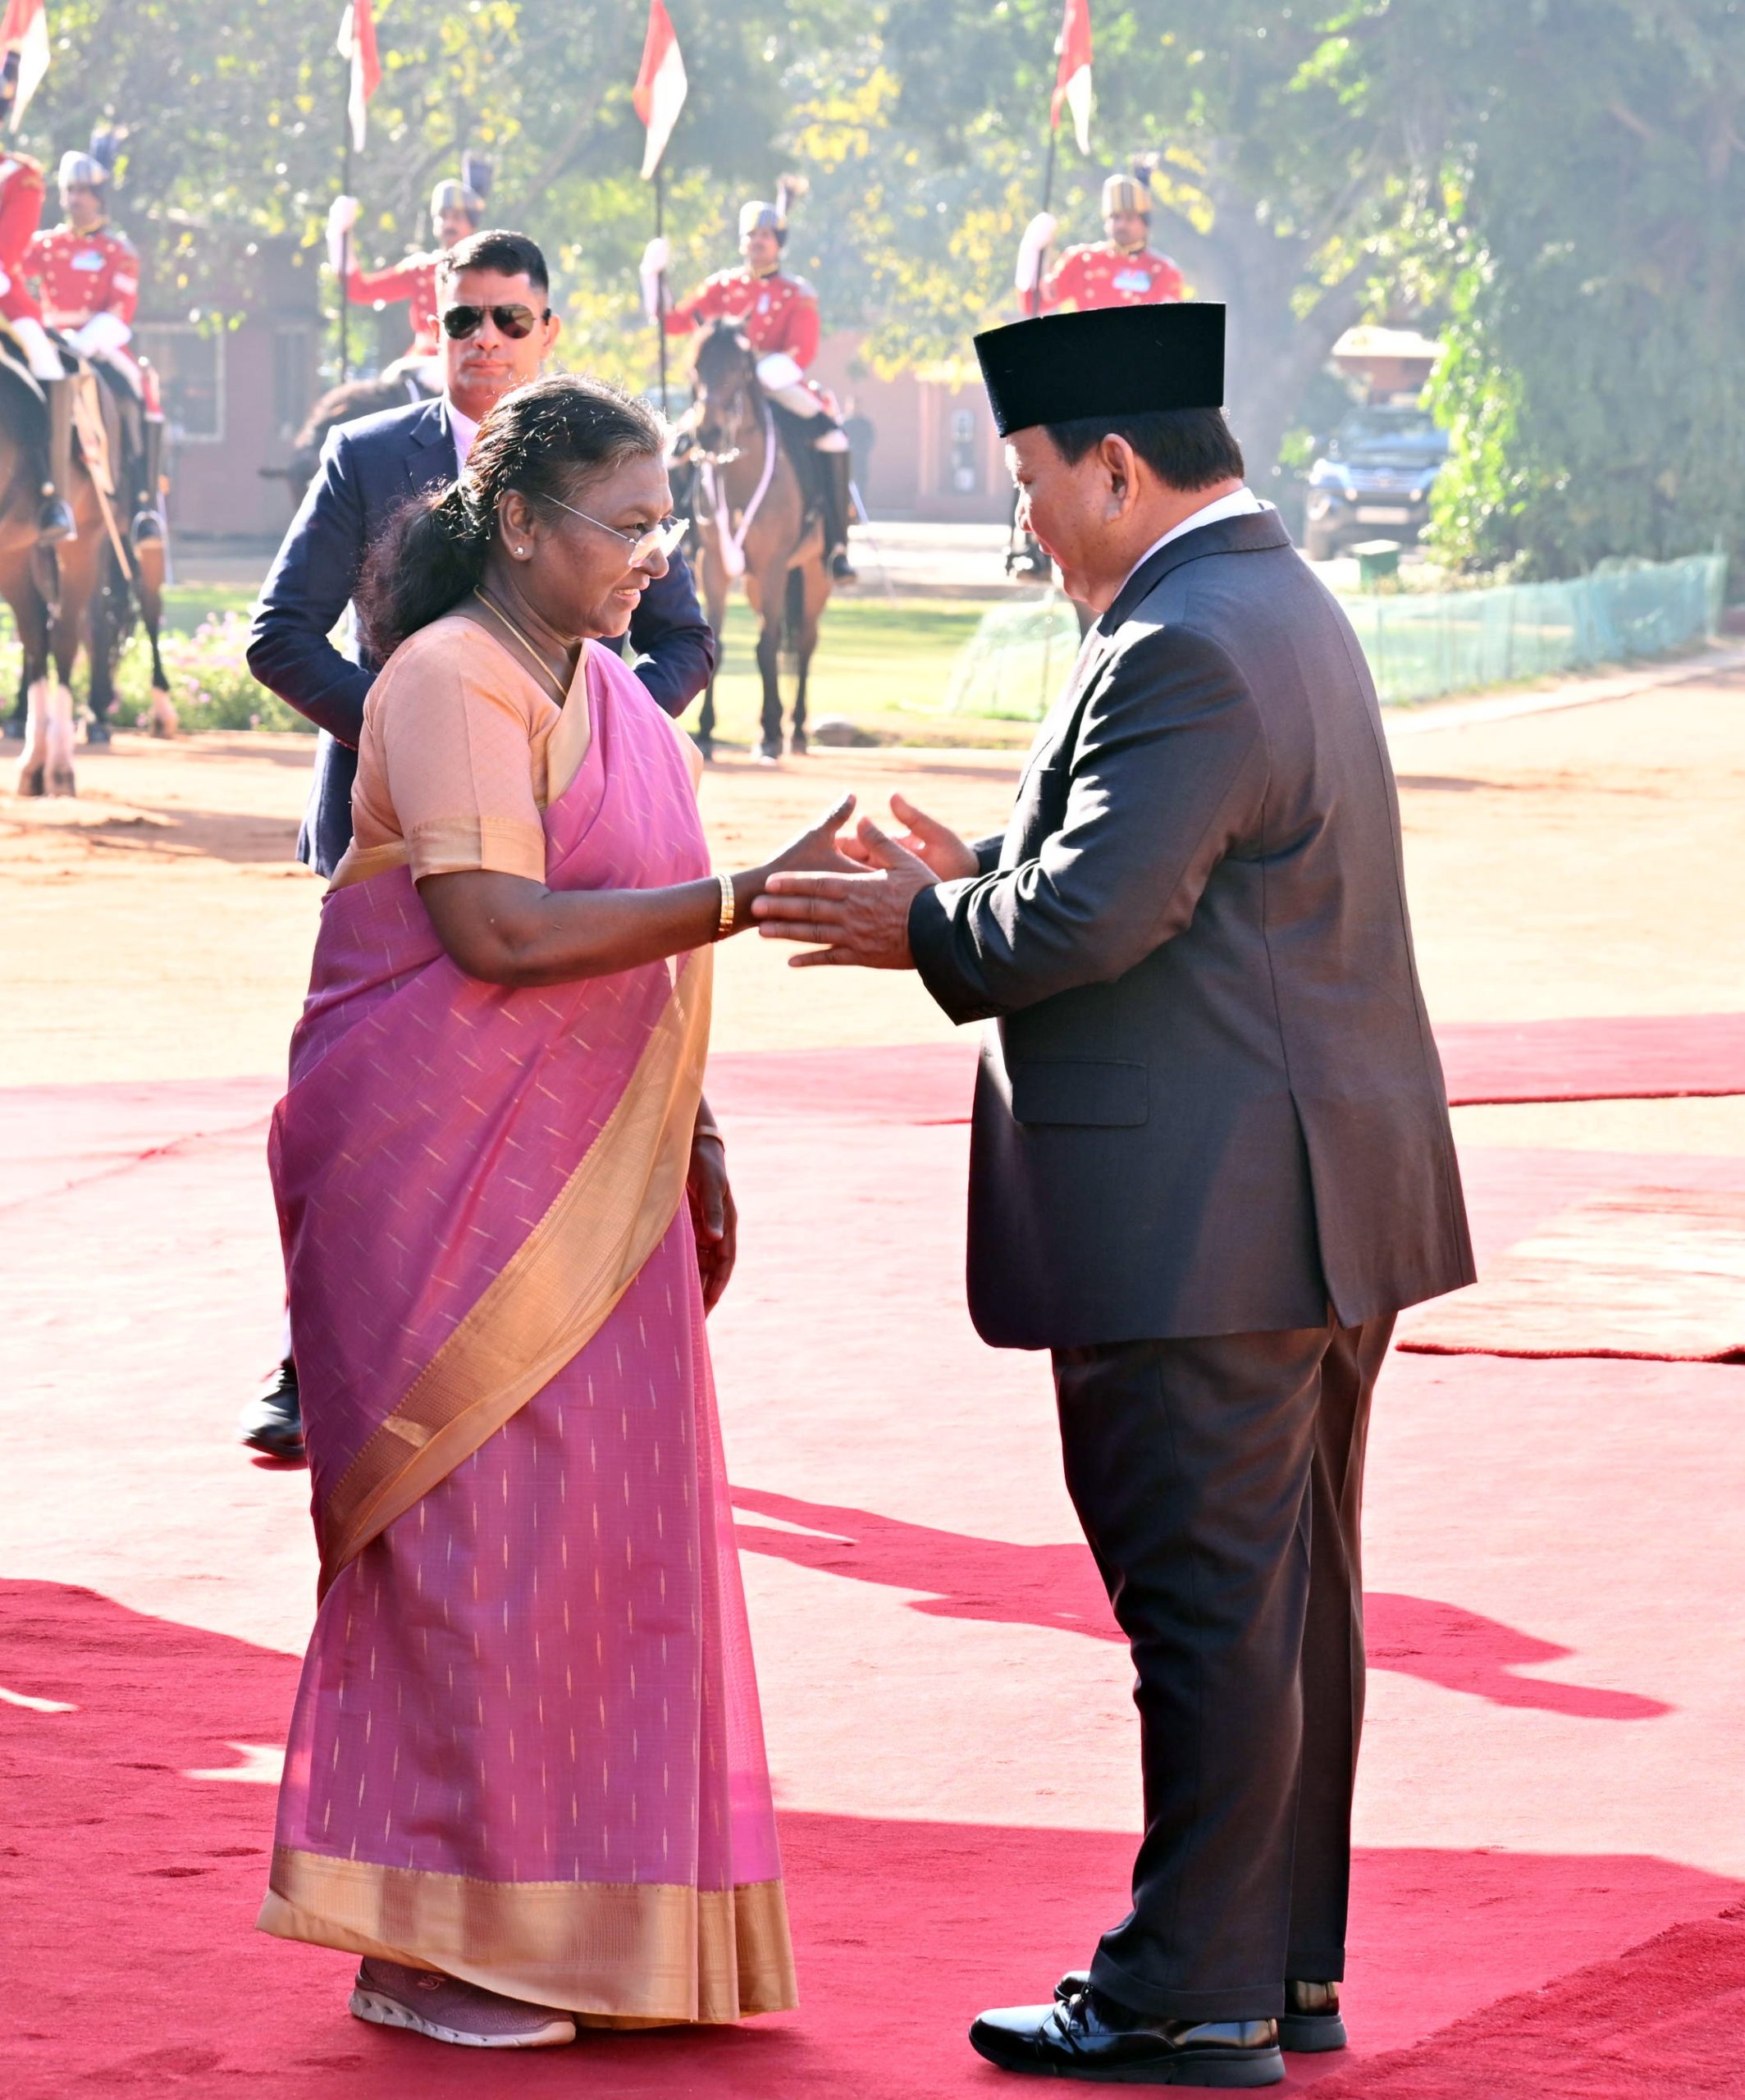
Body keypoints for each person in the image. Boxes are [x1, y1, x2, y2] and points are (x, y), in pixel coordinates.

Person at [754, 302, 1475, 2088]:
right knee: (1282, 1608)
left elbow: (1097, 915)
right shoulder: (1260, 604)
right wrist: (983, 867)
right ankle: (1274, 1970)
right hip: (1297, 1201)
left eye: (1027, 480)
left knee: (1210, 1618)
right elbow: (1162, 867)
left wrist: (924, 922)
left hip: (1209, 1221)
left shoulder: (1183, 640)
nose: (1022, 518)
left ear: (1117, 467)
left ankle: (1183, 1994)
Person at [263, 369, 851, 2046]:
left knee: (599, 1544)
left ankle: (592, 1936)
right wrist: (745, 897)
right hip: (435, 1173)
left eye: (667, 525)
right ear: (518, 521)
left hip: (599, 1175)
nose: (653, 556)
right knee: (471, 1548)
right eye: (625, 524)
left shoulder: (615, 696)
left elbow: (628, 941)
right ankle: (422, 1945)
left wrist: (691, 1124)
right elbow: (498, 932)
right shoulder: (448, 675)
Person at [242, 227, 717, 1461]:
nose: (485, 340)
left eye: (510, 319)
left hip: (588, 846)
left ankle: (555, 1343)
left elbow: (683, 641)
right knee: (392, 1120)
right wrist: (438, 745)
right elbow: (278, 635)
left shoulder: (618, 467)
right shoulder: (368, 455)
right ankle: (325, 1354)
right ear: (435, 327)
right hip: (403, 844)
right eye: (463, 319)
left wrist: (587, 749)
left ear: (548, 330)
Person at [652, 187, 857, 579]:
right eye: (751, 235)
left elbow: (802, 350)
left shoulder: (797, 292)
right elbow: (674, 322)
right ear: (742, 242)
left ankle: (836, 544)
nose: (757, 242)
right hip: (726, 391)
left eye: (765, 235)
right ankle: (680, 540)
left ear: (778, 243)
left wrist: (762, 373)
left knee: (833, 439)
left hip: (776, 382)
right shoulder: (722, 287)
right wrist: (654, 277)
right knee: (675, 450)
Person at [27, 133, 166, 545]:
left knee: (141, 391)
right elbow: (14, 270)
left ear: (101, 197)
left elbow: (120, 311)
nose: (75, 199)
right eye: (69, 190)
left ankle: (143, 506)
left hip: (99, 344)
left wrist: (82, 343)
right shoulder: (44, 245)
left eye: (84, 191)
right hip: (49, 340)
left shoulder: (118, 251)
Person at [0, 52, 75, 542]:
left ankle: (52, 495)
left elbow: (7, 250)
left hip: (4, 300)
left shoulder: (20, 175)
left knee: (48, 364)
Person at [326, 158, 487, 378]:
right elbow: (360, 290)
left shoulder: (486, 268)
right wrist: (340, 234)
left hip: (473, 360)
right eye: (443, 216)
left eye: (457, 217)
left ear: (472, 224)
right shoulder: (420, 269)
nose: (448, 224)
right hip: (423, 362)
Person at [1016, 171, 1186, 317]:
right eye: (1115, 217)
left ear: (1145, 224)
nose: (1121, 224)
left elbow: (1170, 324)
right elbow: (1032, 304)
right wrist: (1031, 250)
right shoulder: (1082, 260)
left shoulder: (1163, 270)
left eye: (1129, 218)